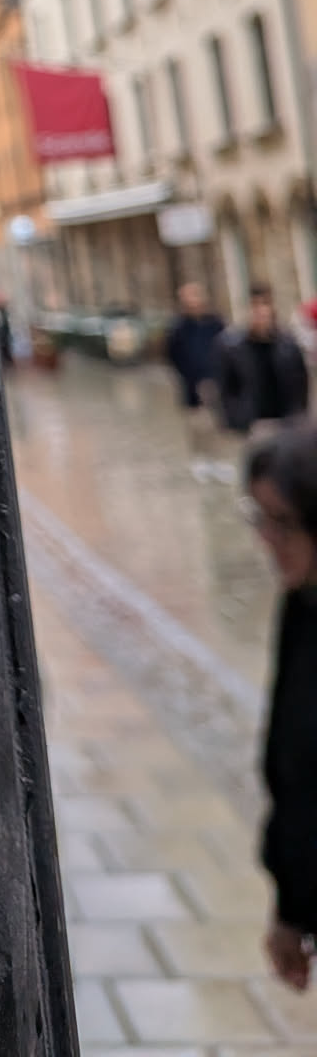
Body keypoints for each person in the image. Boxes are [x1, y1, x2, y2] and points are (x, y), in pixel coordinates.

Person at [245, 425, 317, 989]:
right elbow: (293, 771)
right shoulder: (302, 604)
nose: (266, 539)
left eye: (283, 523)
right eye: (260, 519)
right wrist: (290, 910)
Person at [216, 284, 309, 434]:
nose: (260, 312)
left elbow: (301, 383)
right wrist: (238, 421)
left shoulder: (287, 344)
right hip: (253, 424)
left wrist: (299, 416)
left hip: (287, 422)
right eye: (255, 306)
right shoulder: (231, 347)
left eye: (264, 305)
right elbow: (226, 389)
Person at [166, 281, 224, 408]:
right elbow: (173, 355)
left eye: (195, 296)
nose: (193, 302)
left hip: (218, 382)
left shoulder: (216, 323)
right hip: (192, 387)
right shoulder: (178, 328)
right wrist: (188, 376)